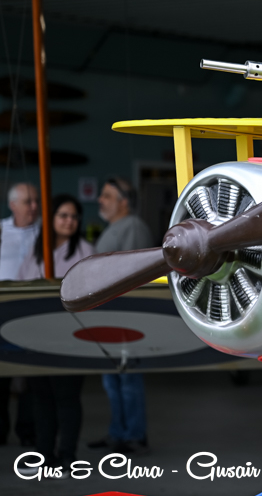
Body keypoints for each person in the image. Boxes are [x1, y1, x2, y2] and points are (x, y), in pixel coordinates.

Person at [17, 195, 94, 474]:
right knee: (41, 399)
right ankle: (44, 456)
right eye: (63, 215)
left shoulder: (85, 250)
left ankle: (67, 457)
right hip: (38, 336)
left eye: (73, 217)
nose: (69, 221)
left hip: (71, 336)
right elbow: (22, 286)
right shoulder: (37, 250)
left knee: (67, 398)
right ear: (50, 219)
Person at [90, 177, 154, 455]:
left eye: (107, 195)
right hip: (110, 314)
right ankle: (118, 432)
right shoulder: (115, 228)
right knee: (112, 380)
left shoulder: (133, 227)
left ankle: (134, 435)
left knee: (128, 379)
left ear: (124, 202)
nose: (100, 200)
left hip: (126, 316)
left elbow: (132, 274)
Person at [0, 182, 39, 447]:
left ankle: (28, 430)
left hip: (33, 310)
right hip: (3, 308)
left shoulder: (46, 230)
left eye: (36, 201)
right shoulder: (1, 230)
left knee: (32, 374)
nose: (34, 206)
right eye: (27, 202)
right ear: (13, 205)